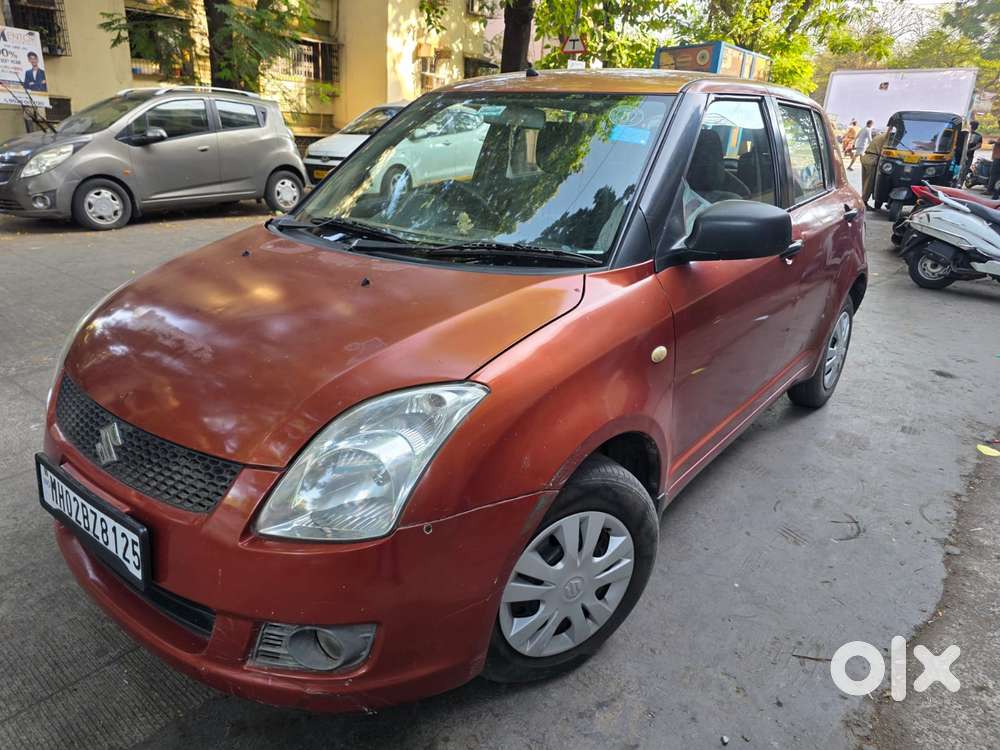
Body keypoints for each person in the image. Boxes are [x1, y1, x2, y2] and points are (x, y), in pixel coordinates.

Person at [861, 129, 888, 208]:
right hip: (873, 159)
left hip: (866, 157)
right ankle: (864, 202)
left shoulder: (880, 136)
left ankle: (864, 200)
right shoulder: (888, 137)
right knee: (869, 183)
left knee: (865, 182)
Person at [960, 120, 982, 185]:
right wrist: (971, 149)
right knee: (965, 170)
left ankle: (959, 183)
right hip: (968, 155)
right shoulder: (977, 135)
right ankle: (960, 183)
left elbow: (979, 145)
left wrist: (970, 149)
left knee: (963, 170)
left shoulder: (964, 133)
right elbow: (979, 145)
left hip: (963, 155)